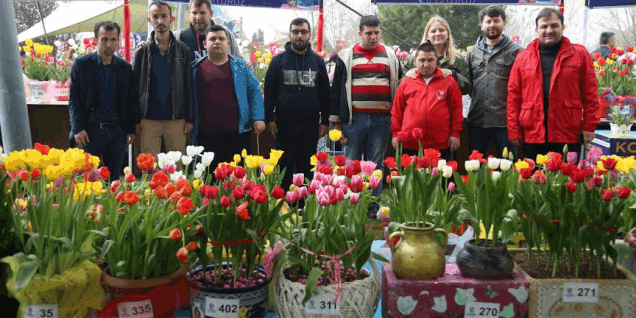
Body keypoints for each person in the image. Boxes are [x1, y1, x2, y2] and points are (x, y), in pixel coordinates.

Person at [330, 15, 402, 217]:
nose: (373, 37)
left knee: (376, 165)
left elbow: (400, 84)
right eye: (369, 33)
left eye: (377, 32)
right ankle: (352, 206)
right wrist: (335, 121)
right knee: (352, 163)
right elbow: (335, 91)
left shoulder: (390, 55)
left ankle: (373, 208)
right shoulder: (346, 56)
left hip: (382, 120)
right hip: (354, 120)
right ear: (360, 33)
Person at [507, 8, 600, 161]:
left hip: (568, 132)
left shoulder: (579, 54)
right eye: (544, 26)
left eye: (554, 26)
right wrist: (513, 130)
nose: (549, 30)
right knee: (534, 181)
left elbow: (590, 93)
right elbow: (513, 96)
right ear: (537, 29)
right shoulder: (523, 57)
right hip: (533, 132)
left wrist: (589, 126)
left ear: (562, 27)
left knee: (567, 181)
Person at [264, 18, 330, 191]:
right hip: (283, 126)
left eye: (303, 32)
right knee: (283, 168)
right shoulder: (278, 61)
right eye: (295, 32)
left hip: (310, 126)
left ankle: (303, 208)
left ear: (309, 34)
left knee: (306, 169)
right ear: (290, 34)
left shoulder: (318, 62)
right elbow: (269, 93)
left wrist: (324, 121)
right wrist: (269, 118)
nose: (299, 36)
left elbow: (325, 94)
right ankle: (284, 205)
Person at [69, 21, 136, 178]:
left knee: (114, 180)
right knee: (85, 180)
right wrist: (77, 128)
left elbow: (129, 101)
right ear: (95, 40)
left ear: (118, 41)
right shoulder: (81, 65)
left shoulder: (125, 68)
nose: (109, 44)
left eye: (113, 40)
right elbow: (74, 99)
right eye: (104, 39)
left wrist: (129, 129)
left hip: (116, 132)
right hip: (89, 131)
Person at [192, 25, 265, 168]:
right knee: (209, 181)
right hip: (205, 135)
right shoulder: (195, 69)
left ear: (228, 43)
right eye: (212, 39)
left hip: (237, 134)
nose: (217, 42)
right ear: (205, 44)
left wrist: (258, 118)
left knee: (236, 180)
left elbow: (255, 91)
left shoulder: (241, 66)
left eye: (221, 39)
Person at [132, 1, 194, 159]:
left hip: (176, 119)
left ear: (171, 19)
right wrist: (135, 120)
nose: (160, 21)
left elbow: (189, 86)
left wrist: (189, 118)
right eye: (155, 17)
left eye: (164, 16)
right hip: (148, 120)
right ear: (149, 20)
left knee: (178, 169)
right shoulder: (141, 53)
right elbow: (134, 88)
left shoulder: (183, 50)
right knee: (149, 167)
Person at [466, 6, 522, 159]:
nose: (492, 25)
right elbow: (469, 85)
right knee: (475, 169)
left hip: (504, 123)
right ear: (481, 25)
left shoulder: (517, 52)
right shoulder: (472, 53)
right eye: (488, 21)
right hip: (478, 121)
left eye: (496, 21)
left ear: (504, 23)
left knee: (507, 169)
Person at [391, 42, 463, 159]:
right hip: (410, 143)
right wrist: (395, 134)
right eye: (422, 60)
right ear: (415, 61)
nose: (426, 64)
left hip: (440, 143)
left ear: (437, 61)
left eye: (430, 60)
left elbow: (457, 109)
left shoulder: (449, 81)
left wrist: (455, 133)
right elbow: (396, 111)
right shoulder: (407, 82)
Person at [175, 0, 242, 62]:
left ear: (211, 13)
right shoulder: (179, 37)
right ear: (189, 13)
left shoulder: (226, 34)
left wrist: (246, 66)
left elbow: (238, 62)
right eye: (194, 13)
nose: (198, 17)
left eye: (202, 13)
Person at [419, 16, 471, 95]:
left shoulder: (458, 59)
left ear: (448, 34)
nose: (438, 33)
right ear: (427, 36)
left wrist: (454, 74)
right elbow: (401, 85)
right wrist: (412, 73)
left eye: (441, 30)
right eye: (433, 31)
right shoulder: (415, 59)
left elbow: (467, 88)